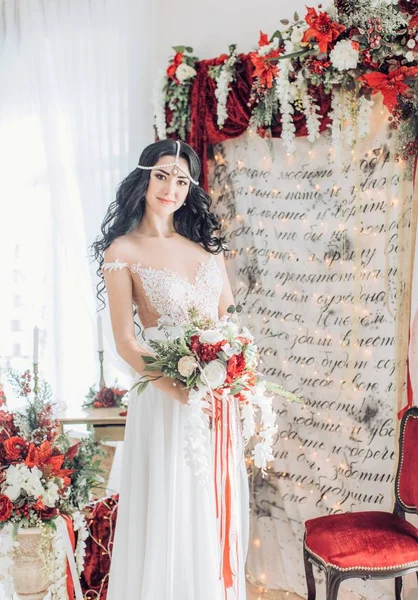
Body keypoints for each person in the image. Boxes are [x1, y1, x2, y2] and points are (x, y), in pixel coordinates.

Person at [91, 139, 249, 600]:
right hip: (165, 401)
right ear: (144, 177)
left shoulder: (206, 248)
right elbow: (125, 341)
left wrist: (235, 372)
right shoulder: (122, 250)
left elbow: (231, 324)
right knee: (169, 507)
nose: (171, 188)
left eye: (182, 180)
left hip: (217, 401)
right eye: (162, 175)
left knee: (210, 506)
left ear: (190, 189)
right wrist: (179, 392)